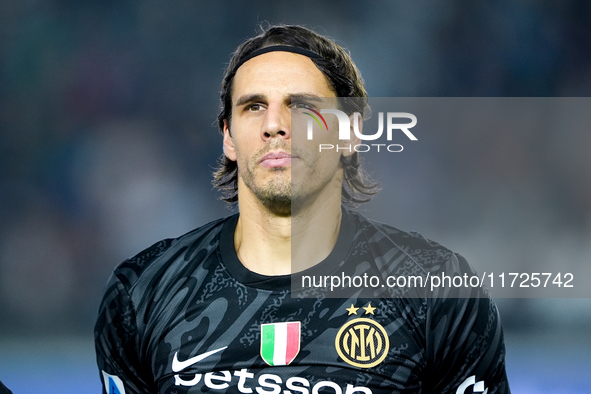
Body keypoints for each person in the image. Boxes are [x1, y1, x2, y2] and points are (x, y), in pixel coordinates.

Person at [95, 24, 510, 394]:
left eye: (302, 105)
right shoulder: (143, 293)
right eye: (254, 106)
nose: (275, 124)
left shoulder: (439, 292)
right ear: (229, 138)